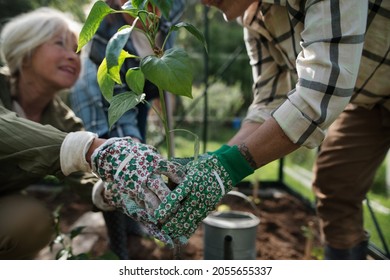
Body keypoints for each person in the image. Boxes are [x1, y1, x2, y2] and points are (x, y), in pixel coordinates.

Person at [153, 0, 390, 260]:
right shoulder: (254, 17)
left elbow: (320, 90)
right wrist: (213, 163)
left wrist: (227, 167)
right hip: (369, 100)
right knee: (336, 186)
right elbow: (267, 103)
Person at [0, 7, 184, 259]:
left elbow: (82, 173)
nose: (72, 56)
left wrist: (110, 192)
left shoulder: (61, 119)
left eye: (77, 50)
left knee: (30, 222)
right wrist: (92, 147)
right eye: (59, 44)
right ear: (26, 51)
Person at [70, 0, 187, 259]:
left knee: (135, 152)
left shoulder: (169, 9)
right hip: (101, 95)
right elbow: (118, 98)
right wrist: (131, 148)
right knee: (113, 165)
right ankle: (119, 247)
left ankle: (134, 228)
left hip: (142, 91)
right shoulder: (109, 34)